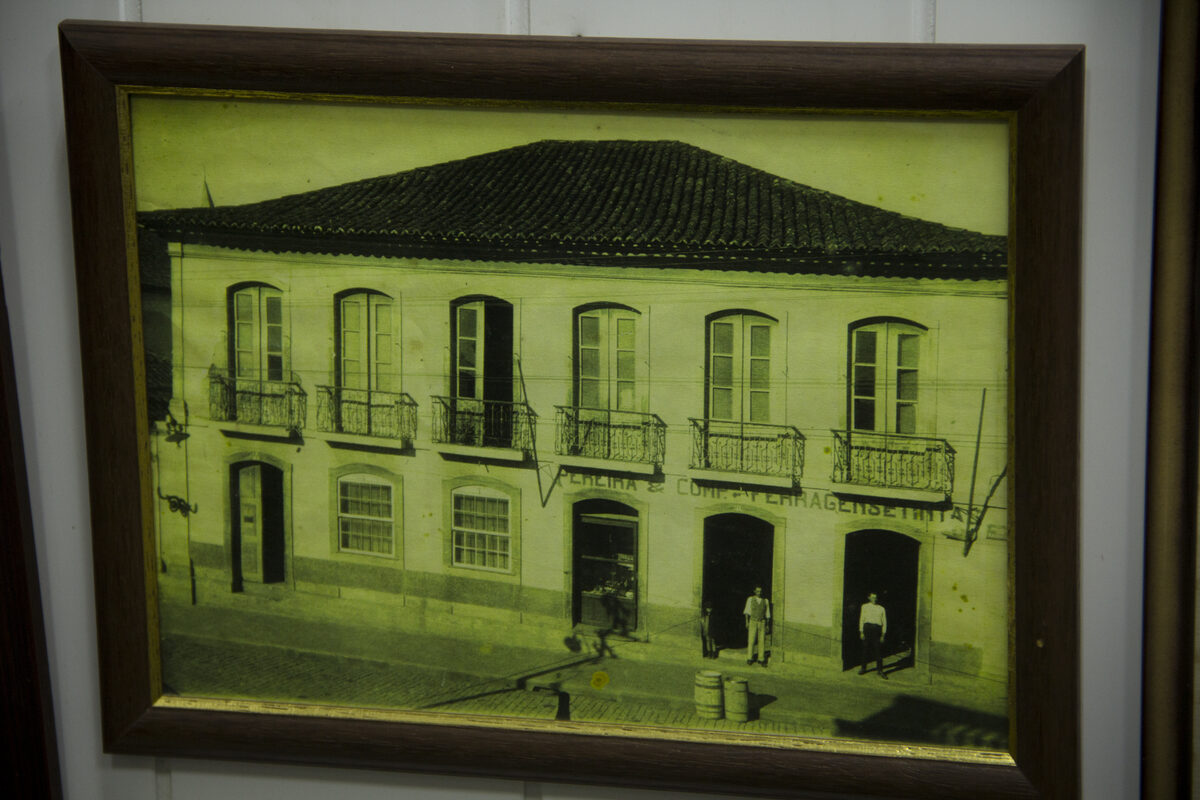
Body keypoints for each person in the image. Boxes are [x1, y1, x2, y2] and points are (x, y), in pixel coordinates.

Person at [858, 592, 888, 679]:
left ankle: (880, 670)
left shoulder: (881, 608)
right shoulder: (864, 606)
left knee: (878, 650)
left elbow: (884, 622)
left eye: (875, 597)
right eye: (872, 597)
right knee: (865, 649)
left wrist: (883, 634)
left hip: (877, 630)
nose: (874, 599)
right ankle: (863, 668)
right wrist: (861, 632)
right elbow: (861, 619)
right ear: (869, 598)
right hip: (867, 628)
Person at [743, 585, 771, 666]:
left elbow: (767, 613)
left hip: (762, 622)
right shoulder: (750, 599)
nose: (759, 593)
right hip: (753, 621)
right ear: (754, 591)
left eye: (760, 591)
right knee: (751, 640)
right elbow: (747, 611)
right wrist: (747, 622)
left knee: (761, 640)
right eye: (757, 591)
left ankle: (761, 658)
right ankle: (749, 658)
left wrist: (767, 625)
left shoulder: (765, 601)